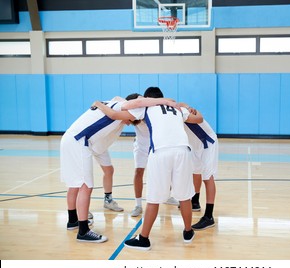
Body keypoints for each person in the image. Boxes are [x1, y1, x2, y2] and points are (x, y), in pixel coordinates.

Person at [93, 87, 203, 250]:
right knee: (184, 196)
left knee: (153, 199)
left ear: (148, 98)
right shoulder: (176, 108)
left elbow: (115, 115)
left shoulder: (145, 107)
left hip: (160, 151)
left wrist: (99, 104)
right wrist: (189, 107)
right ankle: (188, 232)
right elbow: (199, 119)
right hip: (183, 151)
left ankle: (144, 239)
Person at [61, 94, 176, 243]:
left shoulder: (110, 103)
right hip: (79, 142)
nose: (130, 122)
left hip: (70, 139)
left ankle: (72, 221)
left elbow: (120, 98)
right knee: (85, 186)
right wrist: (164, 101)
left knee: (75, 184)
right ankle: (83, 231)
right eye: (131, 118)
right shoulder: (118, 107)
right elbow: (138, 101)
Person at [130, 88, 179, 218]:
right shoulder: (138, 108)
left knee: (166, 170)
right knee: (138, 172)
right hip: (141, 146)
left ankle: (167, 196)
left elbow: (173, 102)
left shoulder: (158, 109)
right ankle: (138, 204)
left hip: (157, 145)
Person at [180, 104, 218, 230]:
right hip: (195, 144)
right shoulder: (169, 112)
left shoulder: (180, 112)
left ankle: (209, 216)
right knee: (195, 171)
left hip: (207, 142)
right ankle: (195, 202)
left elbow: (198, 118)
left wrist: (188, 107)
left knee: (207, 177)